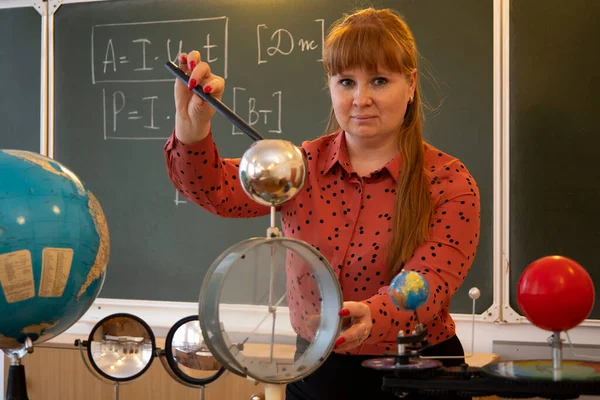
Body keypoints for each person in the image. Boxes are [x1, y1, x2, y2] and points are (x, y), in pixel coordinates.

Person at [164, 7, 481, 400]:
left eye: (379, 80)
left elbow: (429, 280)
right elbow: (216, 190)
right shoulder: (299, 167)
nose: (361, 99)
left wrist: (375, 314)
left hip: (419, 375)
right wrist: (191, 128)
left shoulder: (447, 181)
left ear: (411, 84)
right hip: (316, 374)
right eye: (346, 81)